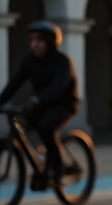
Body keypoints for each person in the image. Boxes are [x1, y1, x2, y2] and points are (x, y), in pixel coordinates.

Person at [0, 21, 79, 187]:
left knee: (46, 128)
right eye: (32, 40)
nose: (34, 44)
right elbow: (14, 83)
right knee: (21, 125)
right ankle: (42, 163)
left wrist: (37, 99)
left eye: (39, 40)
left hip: (64, 104)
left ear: (50, 42)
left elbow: (60, 85)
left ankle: (57, 171)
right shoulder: (29, 61)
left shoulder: (62, 60)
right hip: (41, 105)